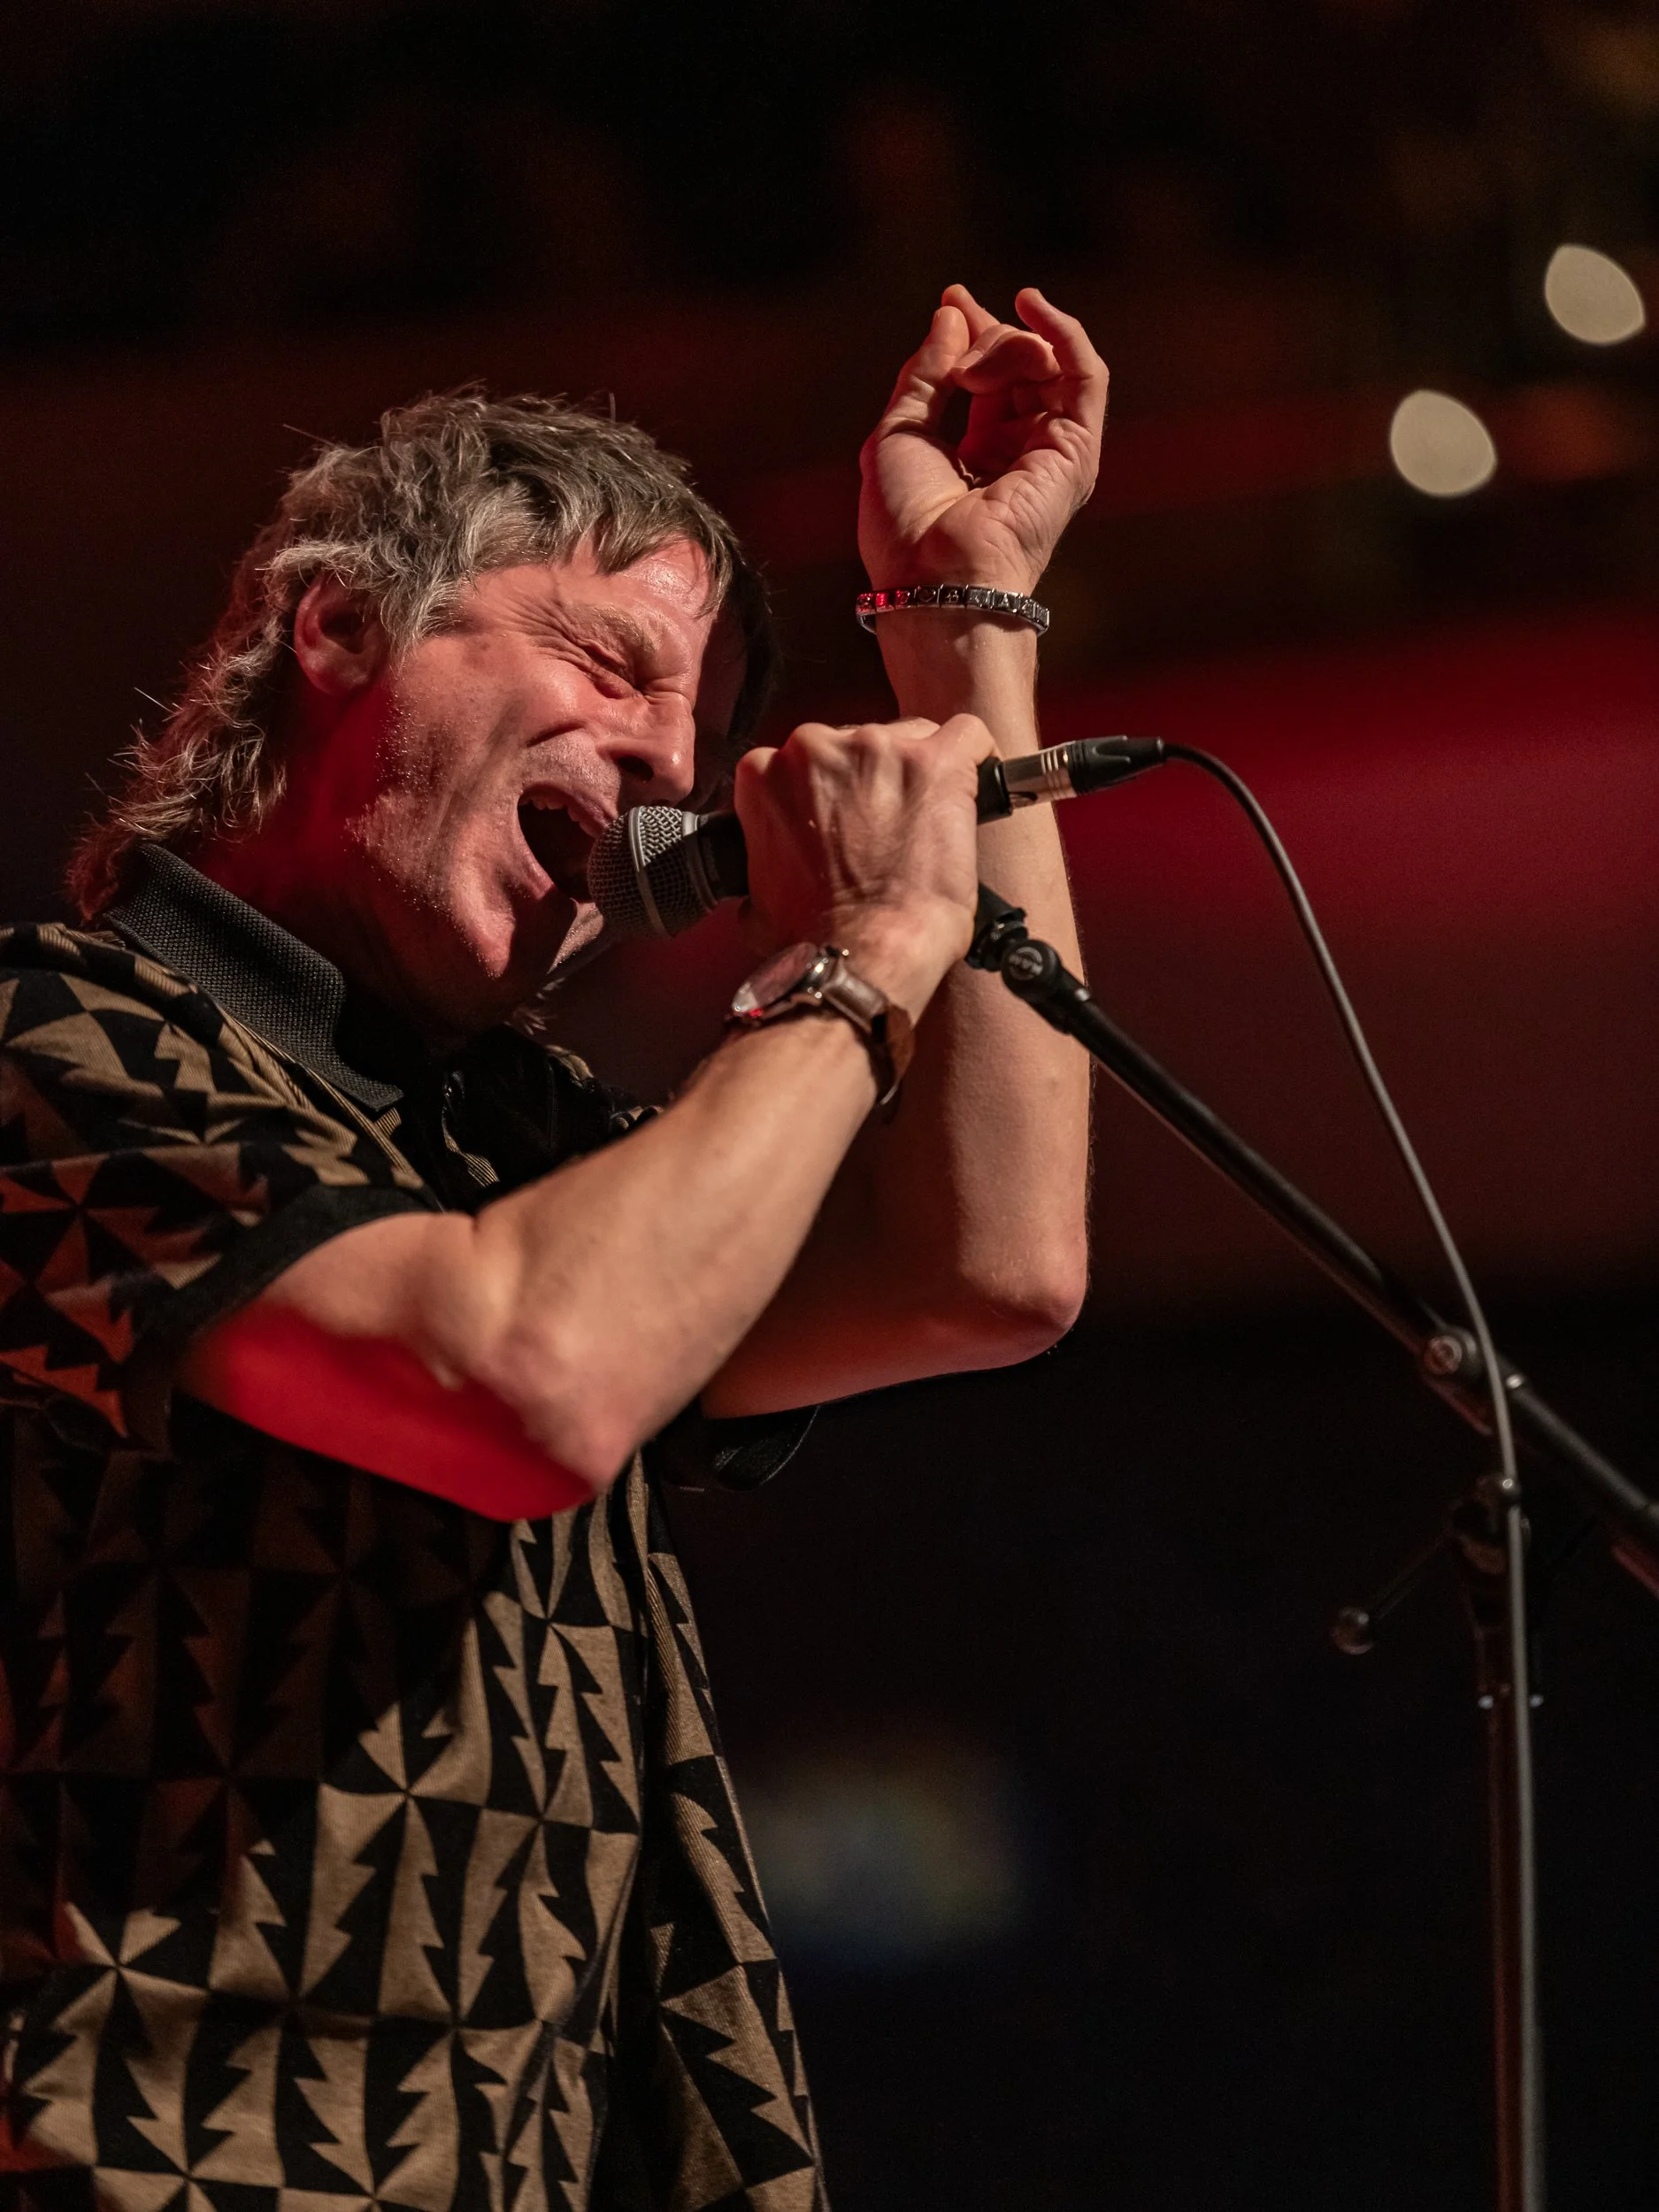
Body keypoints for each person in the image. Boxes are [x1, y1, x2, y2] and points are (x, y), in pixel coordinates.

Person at [0, 284, 1102, 2208]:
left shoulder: (511, 1148)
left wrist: (962, 637)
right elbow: (524, 1377)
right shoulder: (55, 1039)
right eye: (607, 660)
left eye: (698, 738)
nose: (665, 769)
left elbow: (984, 1265)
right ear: (336, 626)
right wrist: (859, 964)